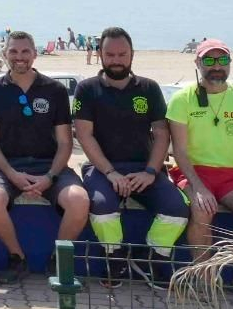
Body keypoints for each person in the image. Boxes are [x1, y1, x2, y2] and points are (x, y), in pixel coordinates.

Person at [73, 27, 188, 287]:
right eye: (109, 54)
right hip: (102, 169)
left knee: (178, 209)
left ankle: (154, 258)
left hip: (144, 169)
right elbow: (84, 135)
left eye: (122, 54)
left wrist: (150, 171)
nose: (116, 60)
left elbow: (161, 133)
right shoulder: (86, 89)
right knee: (102, 207)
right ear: (100, 55)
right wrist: (111, 173)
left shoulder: (149, 88)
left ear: (132, 54)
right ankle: (116, 258)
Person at [0, 32, 90, 283]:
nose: (19, 57)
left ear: (34, 54)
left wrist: (50, 176)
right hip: (6, 165)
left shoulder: (55, 90)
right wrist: (12, 175)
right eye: (13, 52)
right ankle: (17, 258)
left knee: (79, 200)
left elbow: (64, 143)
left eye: (25, 51)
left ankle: (58, 260)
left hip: (49, 165)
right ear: (5, 54)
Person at [166, 39, 233, 256]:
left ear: (229, 62)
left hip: (232, 175)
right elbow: (180, 151)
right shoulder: (182, 99)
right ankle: (203, 276)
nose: (216, 66)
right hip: (193, 172)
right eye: (209, 60)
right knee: (202, 210)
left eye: (222, 60)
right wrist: (199, 188)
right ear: (197, 62)